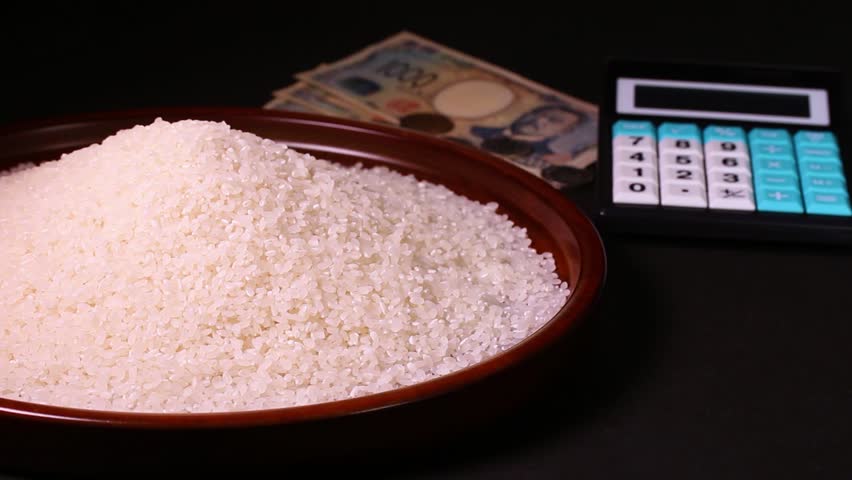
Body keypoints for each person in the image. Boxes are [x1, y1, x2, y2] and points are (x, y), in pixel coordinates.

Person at [472, 104, 597, 169]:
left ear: (563, 132)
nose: (542, 119)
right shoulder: (477, 130)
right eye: (540, 113)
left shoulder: (543, 159)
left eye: (554, 120)